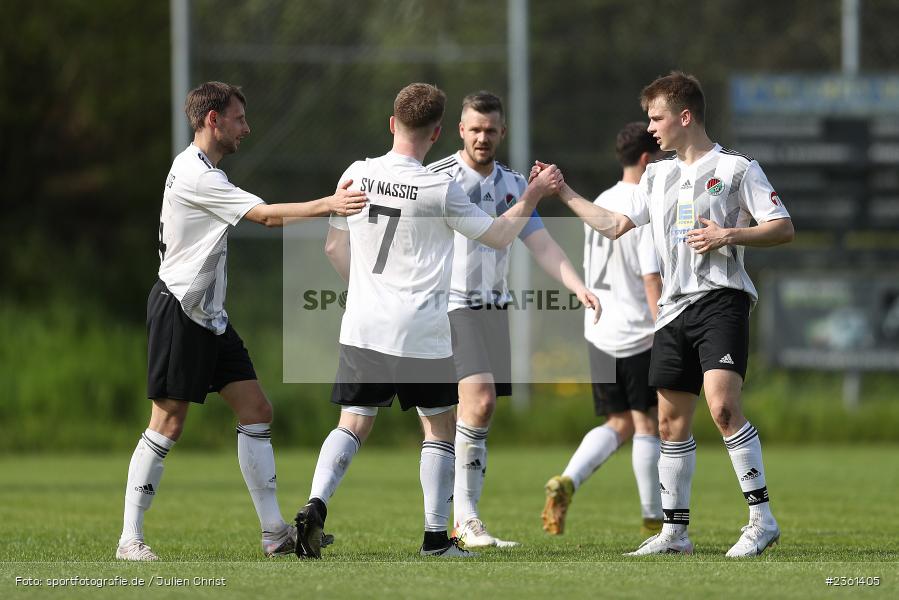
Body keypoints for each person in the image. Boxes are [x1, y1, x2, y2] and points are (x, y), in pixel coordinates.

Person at [292, 83, 562, 559]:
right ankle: (437, 539)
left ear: (392, 123)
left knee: (352, 423)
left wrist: (366, 293)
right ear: (439, 132)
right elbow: (499, 235)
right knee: (440, 427)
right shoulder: (440, 187)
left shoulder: (356, 174)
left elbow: (333, 247)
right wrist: (534, 194)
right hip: (422, 328)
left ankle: (315, 505)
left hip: (363, 325)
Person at [532, 71, 794, 557]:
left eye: (657, 117)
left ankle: (761, 519)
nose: (650, 127)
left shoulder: (737, 168)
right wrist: (563, 192)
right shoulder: (656, 175)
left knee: (722, 408)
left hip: (722, 299)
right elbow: (613, 225)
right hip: (672, 312)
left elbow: (782, 227)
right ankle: (675, 533)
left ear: (684, 116)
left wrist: (728, 235)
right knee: (670, 425)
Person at [115, 81, 367, 561]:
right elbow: (267, 217)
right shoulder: (196, 175)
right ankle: (130, 538)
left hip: (209, 317)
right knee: (167, 423)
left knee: (256, 410)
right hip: (181, 310)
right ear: (213, 119)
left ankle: (274, 533)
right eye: (238, 119)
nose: (246, 129)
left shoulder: (205, 169)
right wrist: (330, 205)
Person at [426, 91, 599, 548]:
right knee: (475, 403)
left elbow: (539, 242)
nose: (482, 137)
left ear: (503, 132)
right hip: (449, 304)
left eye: (490, 130)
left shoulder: (513, 183)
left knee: (477, 412)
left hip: (493, 308)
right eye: (474, 129)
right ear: (461, 130)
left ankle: (462, 521)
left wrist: (577, 285)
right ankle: (465, 520)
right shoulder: (437, 178)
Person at [542, 123, 664, 537]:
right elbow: (651, 276)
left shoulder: (601, 201)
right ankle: (654, 515)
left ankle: (568, 480)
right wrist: (664, 326)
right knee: (647, 422)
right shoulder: (642, 203)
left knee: (619, 422)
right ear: (647, 159)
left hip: (599, 329)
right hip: (638, 331)